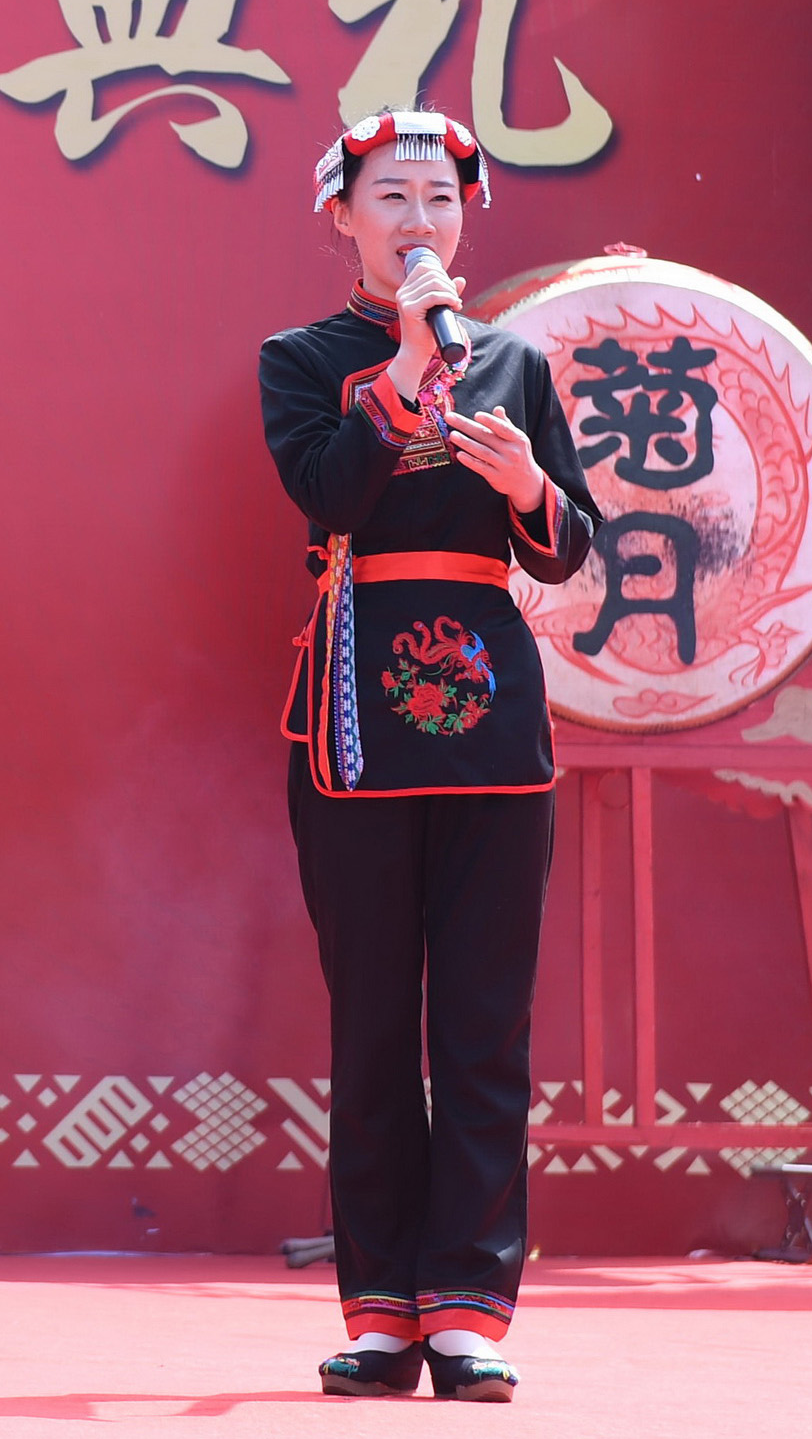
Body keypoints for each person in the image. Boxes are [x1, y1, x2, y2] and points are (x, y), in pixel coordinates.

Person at [259, 110, 600, 1405]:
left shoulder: (515, 364)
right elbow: (328, 495)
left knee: (481, 1023)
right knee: (370, 1024)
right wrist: (404, 374)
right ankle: (380, 1309)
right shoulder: (300, 361)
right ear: (340, 215)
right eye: (390, 197)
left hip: (493, 718)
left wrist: (525, 489)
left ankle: (470, 1312)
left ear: (469, 219)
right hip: (355, 713)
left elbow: (566, 550)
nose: (419, 221)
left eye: (441, 200)